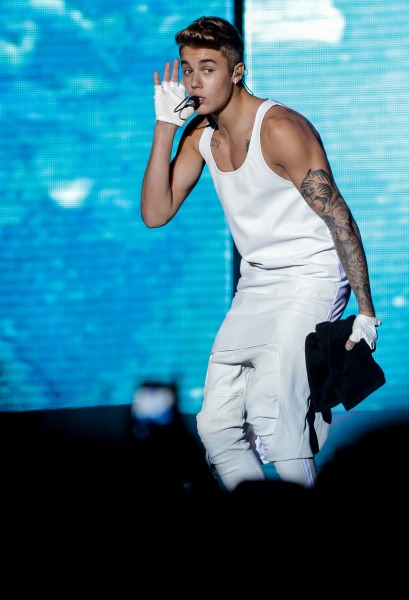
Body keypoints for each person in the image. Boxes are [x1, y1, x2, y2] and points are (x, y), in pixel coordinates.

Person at [140, 16, 381, 492]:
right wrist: (166, 126)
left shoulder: (280, 129)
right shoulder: (200, 134)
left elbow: (339, 218)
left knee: (278, 416)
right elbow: (155, 212)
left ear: (237, 71)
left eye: (207, 68)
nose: (193, 81)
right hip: (257, 282)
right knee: (216, 427)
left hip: (310, 275)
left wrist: (367, 312)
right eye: (187, 69)